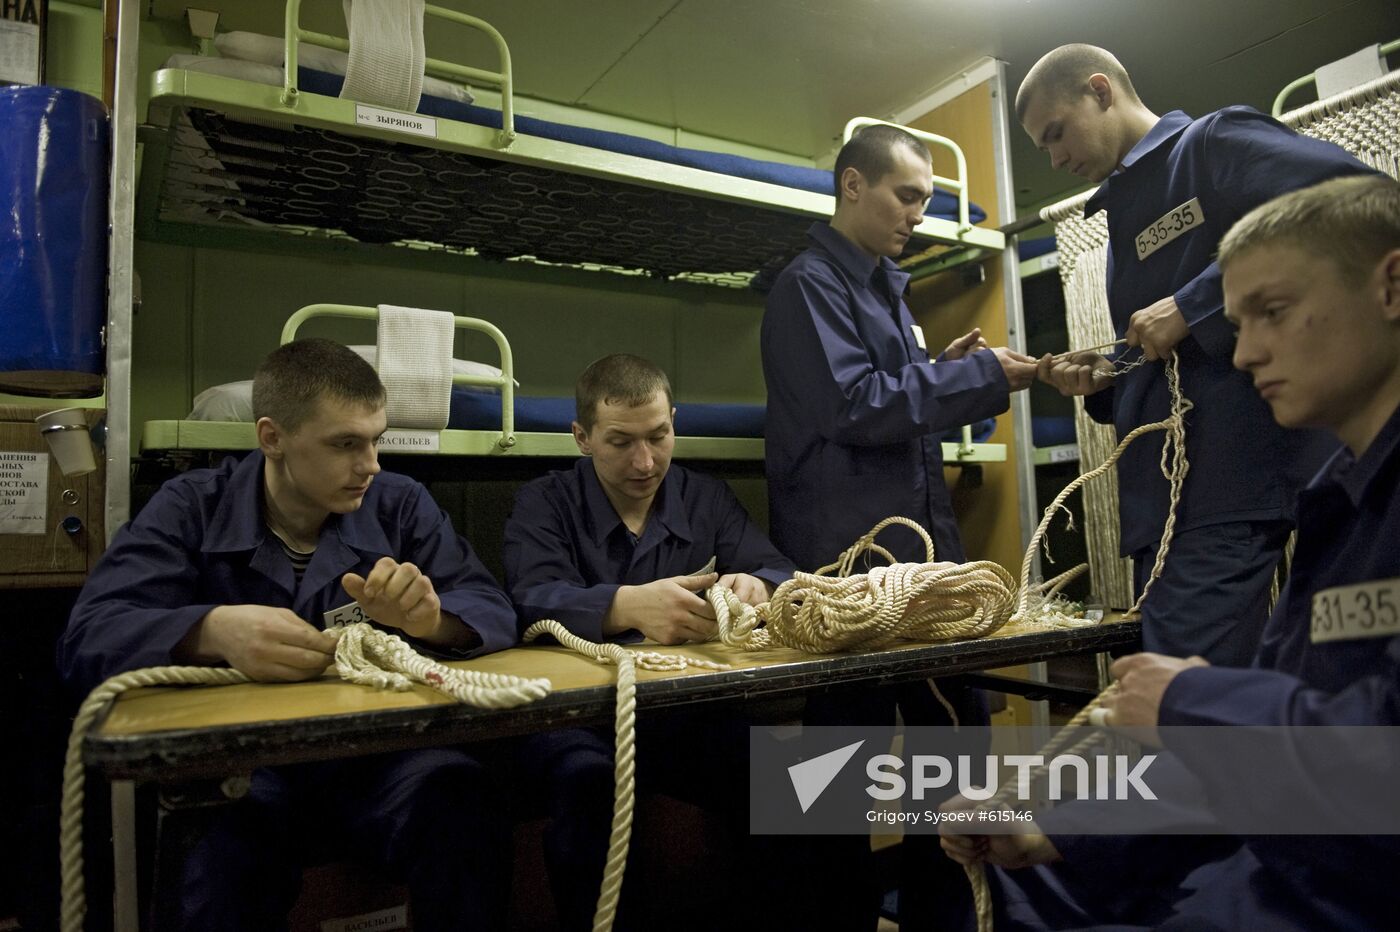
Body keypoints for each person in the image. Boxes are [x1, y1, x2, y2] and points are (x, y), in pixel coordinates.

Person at [942, 173, 1400, 930]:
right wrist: (1055, 831)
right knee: (1006, 887)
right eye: (1239, 320)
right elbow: (1271, 774)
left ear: (1390, 287)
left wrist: (1192, 702)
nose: (1245, 353)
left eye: (1273, 313)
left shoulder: (1218, 148)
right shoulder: (1338, 506)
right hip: (1288, 872)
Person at [58, 338, 520, 931]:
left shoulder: (401, 505)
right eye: (345, 444)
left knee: (462, 802)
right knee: (219, 848)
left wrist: (431, 620)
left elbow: (491, 605)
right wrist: (211, 630)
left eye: (376, 439)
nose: (371, 464)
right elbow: (88, 636)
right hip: (246, 768)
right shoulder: (191, 507)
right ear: (272, 437)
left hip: (374, 758)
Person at [761, 123, 1038, 931]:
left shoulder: (885, 283)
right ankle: (834, 920)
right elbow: (853, 405)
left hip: (915, 561)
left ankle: (943, 917)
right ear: (853, 184)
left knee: (953, 752)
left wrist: (948, 370)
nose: (918, 212)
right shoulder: (808, 285)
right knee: (836, 768)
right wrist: (977, 377)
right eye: (906, 195)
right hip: (850, 563)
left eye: (925, 198)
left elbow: (894, 390)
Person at [1020, 44, 1373, 667]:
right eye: (1042, 148)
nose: (1054, 158)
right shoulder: (1119, 222)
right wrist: (1107, 375)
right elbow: (1172, 357)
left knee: (1187, 711)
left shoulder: (1211, 144)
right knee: (1225, 702)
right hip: (1175, 502)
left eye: (1056, 133)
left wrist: (1191, 304)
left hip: (1245, 474)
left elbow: (1353, 200)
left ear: (1100, 91)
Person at [502, 353, 795, 931]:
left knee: (792, 776)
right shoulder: (544, 503)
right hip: (579, 723)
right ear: (581, 438)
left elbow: (778, 569)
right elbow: (524, 600)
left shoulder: (706, 497)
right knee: (587, 787)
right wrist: (624, 605)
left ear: (673, 423)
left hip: (690, 715)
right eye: (619, 442)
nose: (644, 461)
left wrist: (756, 584)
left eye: (659, 436)